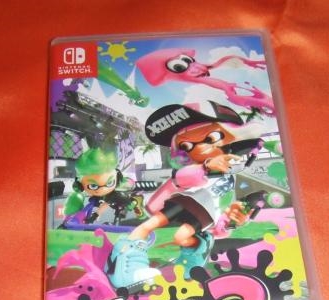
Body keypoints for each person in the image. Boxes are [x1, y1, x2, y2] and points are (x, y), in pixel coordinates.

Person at [106, 102, 266, 289]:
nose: (200, 147)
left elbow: (222, 206)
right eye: (187, 145)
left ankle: (197, 248)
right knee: (148, 225)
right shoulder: (193, 170)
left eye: (212, 138)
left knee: (181, 237)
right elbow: (182, 177)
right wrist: (206, 167)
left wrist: (230, 222)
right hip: (183, 200)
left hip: (204, 209)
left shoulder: (229, 178)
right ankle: (124, 262)